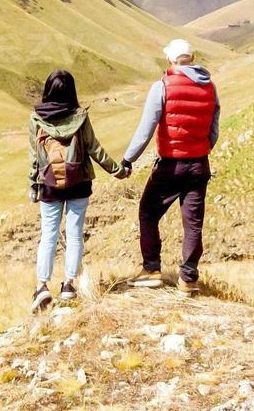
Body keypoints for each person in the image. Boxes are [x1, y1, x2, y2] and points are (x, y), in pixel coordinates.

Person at [122, 39, 220, 296]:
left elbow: (146, 129)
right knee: (193, 224)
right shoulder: (210, 86)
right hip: (199, 164)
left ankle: (152, 269)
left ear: (169, 60)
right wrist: (203, 148)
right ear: (193, 57)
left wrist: (128, 159)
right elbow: (214, 127)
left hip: (170, 165)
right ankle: (188, 279)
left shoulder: (162, 86)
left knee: (148, 212)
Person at [28, 69, 128, 312]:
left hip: (49, 185)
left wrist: (34, 184)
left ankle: (42, 287)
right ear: (72, 91)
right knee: (74, 235)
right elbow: (94, 148)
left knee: (48, 234)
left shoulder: (36, 119)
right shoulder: (80, 117)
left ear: (48, 90)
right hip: (79, 182)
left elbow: (34, 155)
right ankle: (69, 286)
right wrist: (117, 170)